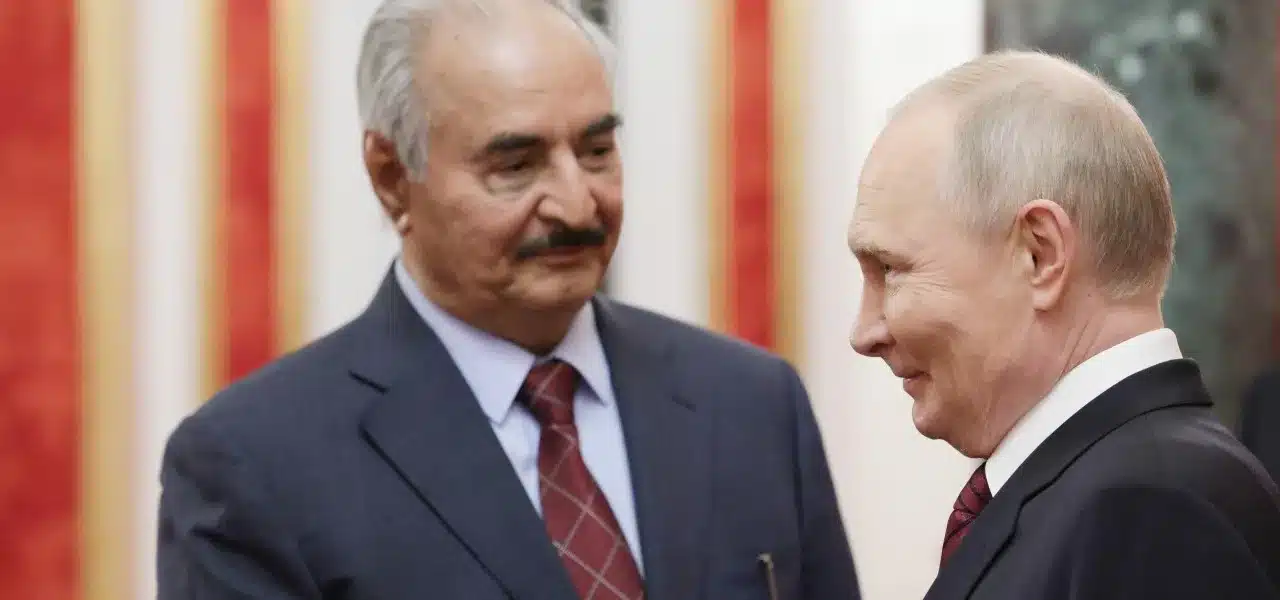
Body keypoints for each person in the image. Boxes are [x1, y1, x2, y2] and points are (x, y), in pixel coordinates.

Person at [156, 0, 860, 599]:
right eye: (516, 165)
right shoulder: (255, 465)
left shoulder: (751, 406)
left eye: (596, 151)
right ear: (392, 176)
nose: (577, 204)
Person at [849, 50, 1280, 600]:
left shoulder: (1148, 510)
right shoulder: (1104, 488)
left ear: (1040, 254)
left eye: (891, 270)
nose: (864, 331)